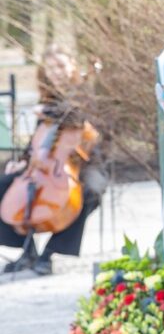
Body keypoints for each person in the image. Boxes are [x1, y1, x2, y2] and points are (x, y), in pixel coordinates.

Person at [0, 46, 106, 275]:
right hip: (48, 163)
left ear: (72, 66)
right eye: (50, 67)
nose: (56, 72)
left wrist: (51, 112)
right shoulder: (48, 96)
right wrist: (24, 160)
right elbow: (40, 139)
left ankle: (50, 254)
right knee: (5, 184)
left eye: (60, 65)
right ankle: (28, 252)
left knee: (90, 192)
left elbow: (80, 119)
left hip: (85, 162)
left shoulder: (86, 93)